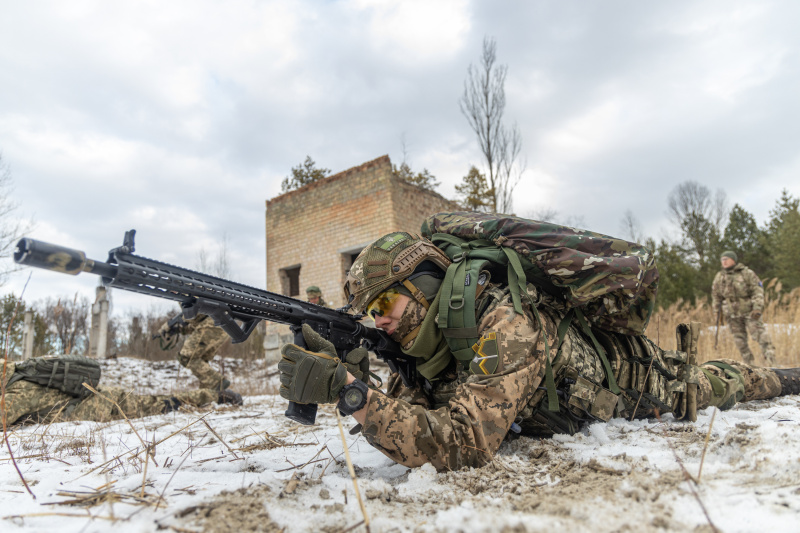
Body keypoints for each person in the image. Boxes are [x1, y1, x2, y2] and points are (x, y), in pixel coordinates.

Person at [278, 231, 800, 471]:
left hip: (643, 386)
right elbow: (420, 413)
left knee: (722, 382)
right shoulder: (427, 343)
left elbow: (462, 444)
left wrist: (353, 398)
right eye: (370, 313)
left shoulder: (508, 324)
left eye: (386, 302)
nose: (380, 321)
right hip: (563, 406)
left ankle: (787, 376)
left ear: (426, 286)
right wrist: (355, 376)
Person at [1, 356, 242, 426]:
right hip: (96, 399)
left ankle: (213, 395)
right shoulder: (16, 377)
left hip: (102, 405)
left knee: (161, 404)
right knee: (157, 402)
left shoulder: (18, 389)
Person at [712, 251, 776, 366]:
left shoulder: (747, 273)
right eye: (722, 259)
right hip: (732, 315)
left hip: (750, 312)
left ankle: (772, 364)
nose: (724, 261)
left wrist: (757, 308)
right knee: (740, 342)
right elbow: (716, 295)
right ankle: (749, 366)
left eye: (726, 259)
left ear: (733, 260)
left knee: (762, 337)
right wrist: (717, 312)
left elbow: (757, 290)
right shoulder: (720, 276)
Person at [156, 314, 238, 393]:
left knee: (186, 357)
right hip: (222, 326)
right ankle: (206, 396)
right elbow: (197, 322)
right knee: (202, 360)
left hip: (212, 325)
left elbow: (196, 314)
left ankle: (217, 382)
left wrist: (175, 323)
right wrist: (177, 328)